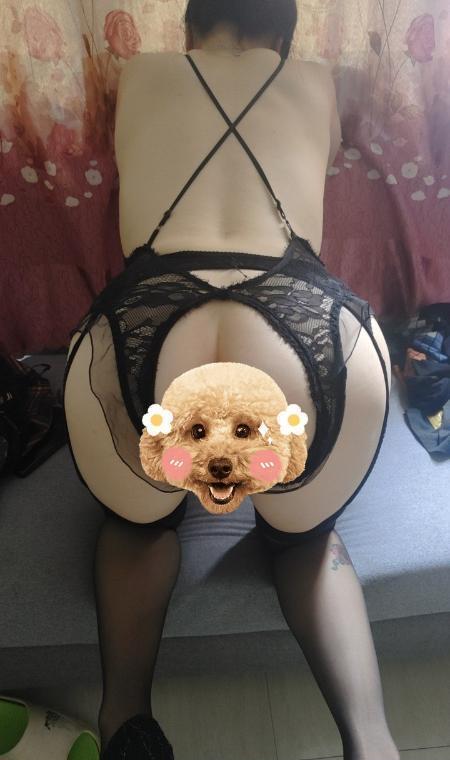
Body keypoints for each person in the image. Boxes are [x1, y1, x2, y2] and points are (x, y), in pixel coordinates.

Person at [63, 1, 400, 758]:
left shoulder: (139, 74)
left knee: (137, 528)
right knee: (306, 542)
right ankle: (373, 743)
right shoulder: (316, 79)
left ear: (189, 28)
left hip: (148, 317)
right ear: (284, 33)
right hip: (305, 323)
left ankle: (125, 720)